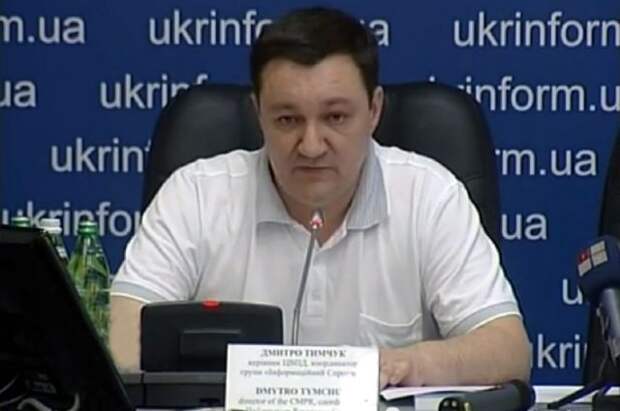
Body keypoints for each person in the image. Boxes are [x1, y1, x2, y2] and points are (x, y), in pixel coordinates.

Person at [110, 6, 530, 388]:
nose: (311, 146)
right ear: (258, 115)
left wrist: (403, 364)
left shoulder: (428, 196)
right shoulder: (196, 196)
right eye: (287, 119)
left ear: (374, 110)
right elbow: (119, 339)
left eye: (335, 117)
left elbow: (508, 350)